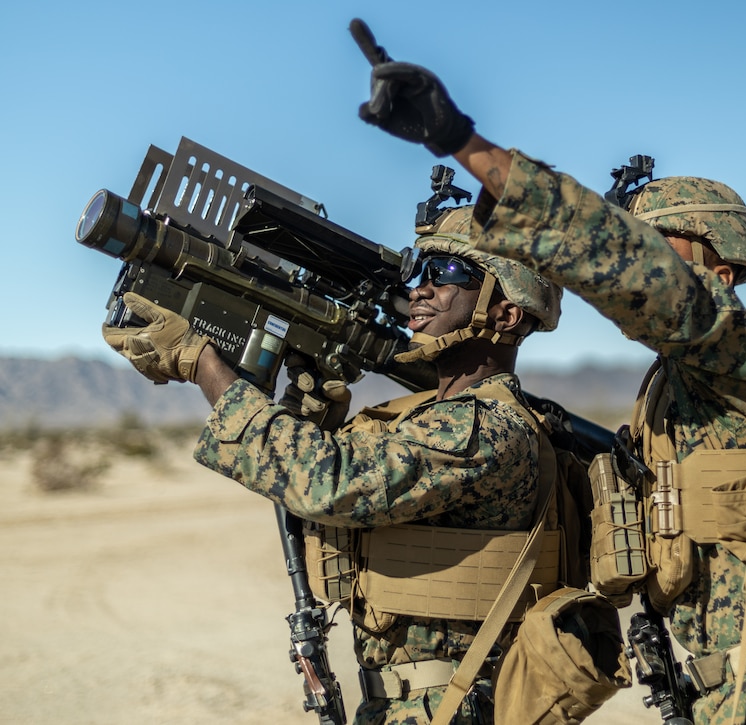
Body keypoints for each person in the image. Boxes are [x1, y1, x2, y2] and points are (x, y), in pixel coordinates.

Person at [348, 18, 746, 723]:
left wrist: (467, 145)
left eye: (659, 251)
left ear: (717, 272)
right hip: (741, 689)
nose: (639, 266)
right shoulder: (678, 391)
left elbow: (631, 272)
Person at [103, 202, 566, 725]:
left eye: (448, 274)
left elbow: (329, 483)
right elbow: (337, 495)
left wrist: (202, 363)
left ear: (507, 314)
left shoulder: (485, 429)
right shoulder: (433, 417)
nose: (420, 289)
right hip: (409, 704)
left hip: (453, 704)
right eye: (419, 272)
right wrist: (312, 420)